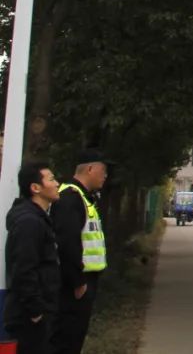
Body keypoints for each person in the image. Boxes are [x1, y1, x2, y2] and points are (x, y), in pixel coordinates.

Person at [51, 150, 109, 354]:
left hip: (85, 280)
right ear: (90, 169)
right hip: (75, 284)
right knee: (66, 339)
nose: (105, 176)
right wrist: (78, 282)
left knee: (75, 338)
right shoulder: (70, 198)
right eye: (103, 171)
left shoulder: (85, 197)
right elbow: (67, 243)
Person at [4, 162, 61, 354]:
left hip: (38, 314)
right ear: (35, 188)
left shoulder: (39, 219)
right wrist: (36, 311)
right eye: (52, 179)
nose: (57, 184)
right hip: (29, 318)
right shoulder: (29, 222)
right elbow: (23, 270)